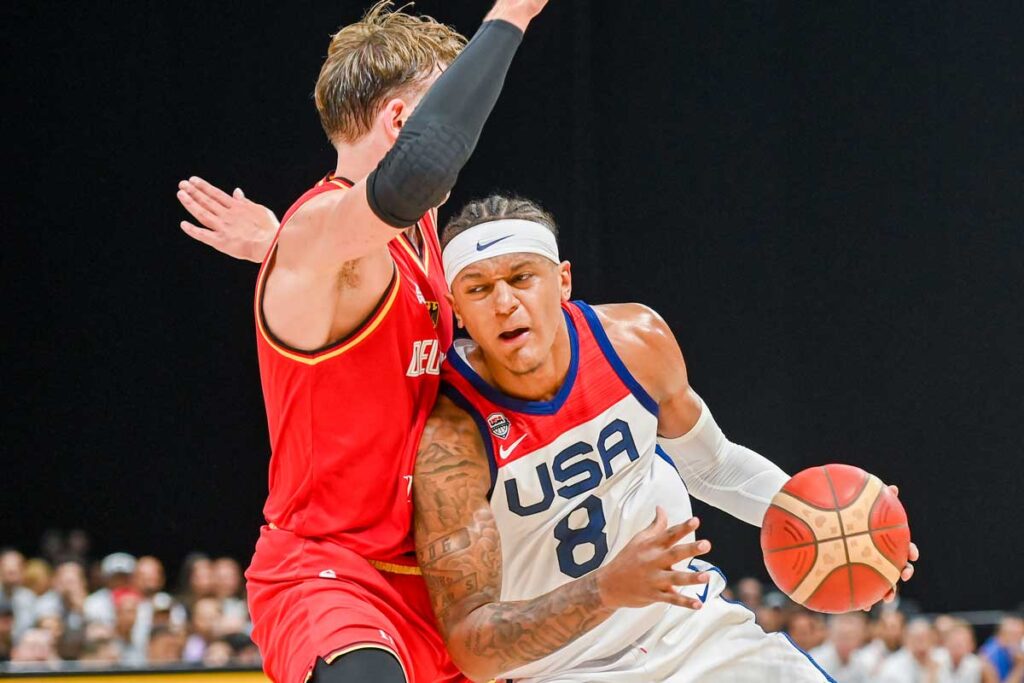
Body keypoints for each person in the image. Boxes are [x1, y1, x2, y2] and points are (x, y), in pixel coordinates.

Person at [177, 2, 550, 681]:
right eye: (450, 107)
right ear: (401, 121)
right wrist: (513, 13)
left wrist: (275, 247)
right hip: (330, 571)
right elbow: (415, 173)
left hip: (434, 575)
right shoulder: (319, 227)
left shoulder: (406, 236)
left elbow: (353, 255)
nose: (465, 131)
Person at [406, 196, 919, 682]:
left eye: (522, 278)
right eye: (478, 289)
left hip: (693, 630)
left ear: (562, 281)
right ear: (456, 309)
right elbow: (472, 647)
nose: (504, 303)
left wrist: (839, 528)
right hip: (566, 669)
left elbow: (713, 466)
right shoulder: (451, 440)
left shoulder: (634, 341)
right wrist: (604, 590)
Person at [810, 613, 874, 683]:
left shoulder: (863, 661)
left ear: (860, 637)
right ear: (831, 635)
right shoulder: (816, 660)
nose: (846, 642)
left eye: (850, 637)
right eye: (841, 636)